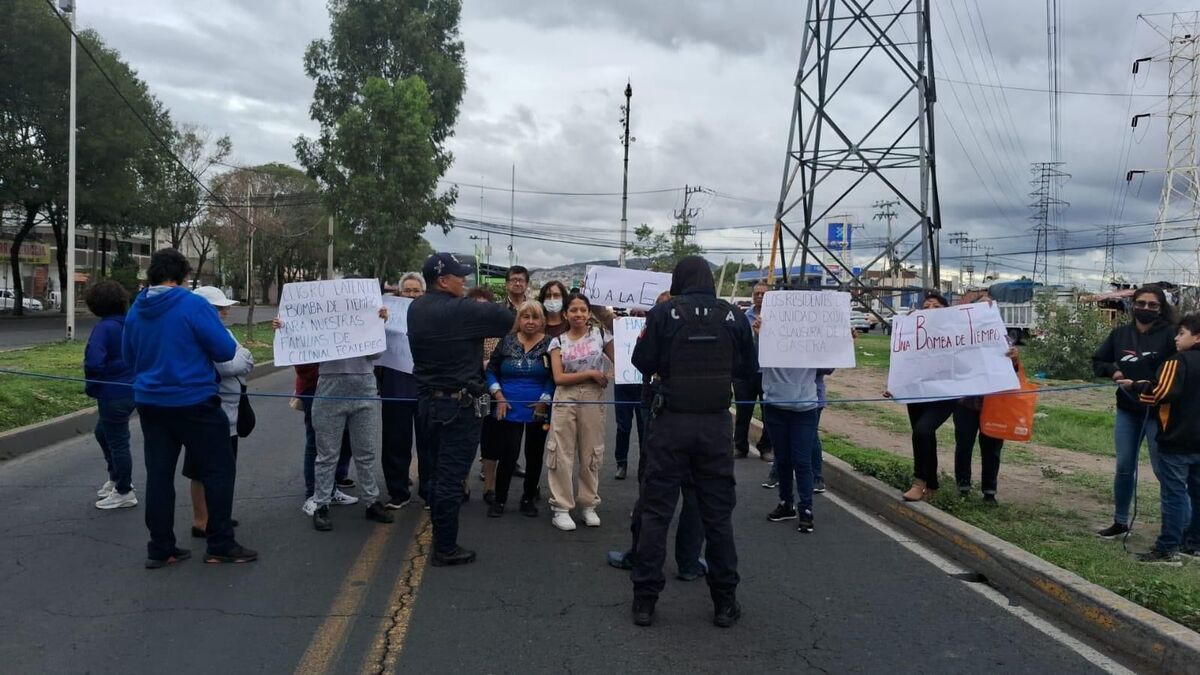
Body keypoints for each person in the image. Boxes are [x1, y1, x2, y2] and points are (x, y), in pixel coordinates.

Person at [630, 256, 758, 628]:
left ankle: (644, 601)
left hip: (671, 422)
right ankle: (725, 602)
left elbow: (641, 360)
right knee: (717, 516)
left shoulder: (664, 313)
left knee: (656, 514)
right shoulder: (734, 316)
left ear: (679, 279)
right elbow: (746, 369)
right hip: (715, 425)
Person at [122, 248, 256, 568]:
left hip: (150, 403)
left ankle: (161, 548)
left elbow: (128, 356)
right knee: (219, 469)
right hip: (194, 401)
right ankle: (220, 542)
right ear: (182, 276)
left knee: (159, 475)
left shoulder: (137, 307)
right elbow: (224, 350)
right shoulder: (192, 304)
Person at [409, 253, 514, 566]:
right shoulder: (460, 309)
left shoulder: (416, 308)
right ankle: (445, 547)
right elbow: (506, 317)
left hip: (428, 403)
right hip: (457, 407)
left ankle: (441, 537)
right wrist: (474, 304)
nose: (465, 282)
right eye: (460, 277)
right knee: (451, 478)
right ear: (443, 281)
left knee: (435, 473)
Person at [607, 290, 707, 582]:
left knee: (655, 492)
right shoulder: (703, 332)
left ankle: (643, 558)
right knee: (691, 492)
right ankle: (688, 562)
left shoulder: (659, 332)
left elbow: (641, 360)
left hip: (663, 417)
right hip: (697, 420)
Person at [276, 298, 393, 532]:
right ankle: (321, 504)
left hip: (364, 390)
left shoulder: (367, 322)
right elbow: (302, 348)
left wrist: (379, 324)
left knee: (366, 451)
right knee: (327, 453)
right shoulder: (323, 325)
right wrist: (285, 328)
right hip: (329, 389)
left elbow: (377, 355)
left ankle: (371, 501)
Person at [1092, 285, 1178, 539]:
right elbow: (1098, 361)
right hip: (1128, 410)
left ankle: (1178, 527)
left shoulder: (1171, 334)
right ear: (1133, 305)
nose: (1146, 308)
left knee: (1163, 470)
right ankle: (1120, 522)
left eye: (1152, 305)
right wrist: (1113, 371)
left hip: (1159, 413)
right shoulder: (1120, 334)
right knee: (1124, 466)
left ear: (1161, 308)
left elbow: (1182, 369)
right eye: (1141, 303)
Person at [1122, 313, 1200, 565]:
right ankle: (1194, 544)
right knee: (1197, 494)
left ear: (1197, 337)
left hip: (1177, 439)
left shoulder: (1177, 361)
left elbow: (1159, 394)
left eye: (1182, 333)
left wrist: (1135, 386)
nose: (1176, 338)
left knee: (1173, 494)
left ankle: (1168, 549)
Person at [186, 286, 254, 538]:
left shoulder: (223, 332)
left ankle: (217, 514)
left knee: (224, 468)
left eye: (224, 307)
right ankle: (202, 520)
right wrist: (242, 357)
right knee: (202, 470)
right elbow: (228, 365)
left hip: (230, 413)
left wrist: (241, 358)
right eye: (218, 308)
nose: (225, 312)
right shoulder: (199, 334)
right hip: (209, 410)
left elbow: (245, 360)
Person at [546, 292, 614, 531]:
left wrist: (609, 374)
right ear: (565, 314)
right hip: (566, 396)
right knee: (561, 451)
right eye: (573, 310)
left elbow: (621, 359)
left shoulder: (601, 335)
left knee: (591, 451)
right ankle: (561, 506)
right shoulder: (557, 341)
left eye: (583, 310)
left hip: (593, 396)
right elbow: (558, 377)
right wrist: (591, 373)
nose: (578, 314)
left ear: (589, 312)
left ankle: (588, 504)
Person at [884, 291, 957, 502]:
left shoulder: (956, 332)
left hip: (945, 395)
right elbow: (903, 361)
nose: (930, 310)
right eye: (926, 307)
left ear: (947, 311)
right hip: (917, 394)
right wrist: (895, 386)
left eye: (936, 306)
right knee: (926, 436)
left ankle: (919, 482)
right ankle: (931, 485)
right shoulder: (913, 333)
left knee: (922, 431)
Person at [486, 300, 553, 517]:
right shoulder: (506, 341)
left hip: (538, 408)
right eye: (526, 317)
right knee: (508, 454)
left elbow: (554, 375)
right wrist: (499, 396)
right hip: (507, 406)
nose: (530, 321)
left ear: (542, 321)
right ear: (519, 319)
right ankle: (500, 499)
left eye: (535, 317)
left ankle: (528, 498)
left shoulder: (551, 343)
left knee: (534, 455)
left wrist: (544, 400)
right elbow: (491, 371)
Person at [377, 272, 429, 510]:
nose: (411, 294)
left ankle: (429, 491)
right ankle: (398, 492)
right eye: (407, 290)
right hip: (395, 387)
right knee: (395, 443)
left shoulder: (432, 315)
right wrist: (380, 322)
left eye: (416, 290)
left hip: (426, 389)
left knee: (428, 444)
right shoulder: (387, 313)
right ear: (399, 292)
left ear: (424, 293)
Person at [84, 280, 137, 510]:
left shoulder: (104, 328)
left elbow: (94, 361)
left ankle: (124, 490)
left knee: (117, 441)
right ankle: (116, 479)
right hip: (132, 388)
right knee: (102, 432)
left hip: (112, 391)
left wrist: (94, 384)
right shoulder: (130, 324)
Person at [954, 344, 1021, 503]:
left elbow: (1012, 372)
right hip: (965, 402)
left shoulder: (1000, 339)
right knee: (964, 444)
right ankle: (963, 487)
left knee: (992, 447)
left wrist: (1014, 360)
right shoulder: (961, 338)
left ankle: (989, 492)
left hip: (995, 404)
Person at [762, 362, 821, 533]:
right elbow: (753, 362)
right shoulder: (765, 346)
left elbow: (827, 367)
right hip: (775, 406)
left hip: (805, 408)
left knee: (802, 461)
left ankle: (806, 509)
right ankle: (786, 503)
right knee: (783, 459)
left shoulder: (811, 347)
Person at [295, 364, 357, 515]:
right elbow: (303, 368)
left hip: (338, 386)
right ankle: (313, 495)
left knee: (333, 442)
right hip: (314, 388)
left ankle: (330, 490)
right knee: (315, 442)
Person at [469, 286, 505, 504]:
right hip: (468, 392)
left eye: (484, 306)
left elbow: (502, 360)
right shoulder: (460, 330)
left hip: (490, 392)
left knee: (491, 440)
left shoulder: (498, 332)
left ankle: (489, 487)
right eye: (475, 305)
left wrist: (489, 364)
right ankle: (462, 485)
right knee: (468, 440)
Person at [733, 282, 773, 462]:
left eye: (763, 294)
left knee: (768, 413)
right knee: (743, 411)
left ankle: (766, 448)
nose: (759, 297)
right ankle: (740, 446)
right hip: (746, 372)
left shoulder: (777, 318)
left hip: (768, 373)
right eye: (756, 293)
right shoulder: (743, 317)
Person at [613, 309, 648, 481]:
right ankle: (621, 463)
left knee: (644, 427)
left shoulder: (652, 330)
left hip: (643, 386)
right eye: (635, 315)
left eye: (642, 315)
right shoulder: (620, 329)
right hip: (623, 385)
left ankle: (645, 463)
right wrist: (617, 323)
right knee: (623, 427)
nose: (638, 317)